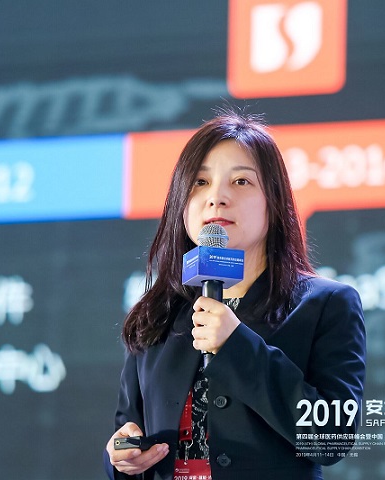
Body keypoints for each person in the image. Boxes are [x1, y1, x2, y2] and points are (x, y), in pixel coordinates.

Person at [104, 111, 366, 480]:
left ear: (274, 200)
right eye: (200, 182)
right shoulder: (158, 314)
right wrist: (123, 458)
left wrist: (237, 345)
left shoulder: (327, 304)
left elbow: (331, 439)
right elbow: (128, 432)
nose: (217, 198)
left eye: (241, 181)